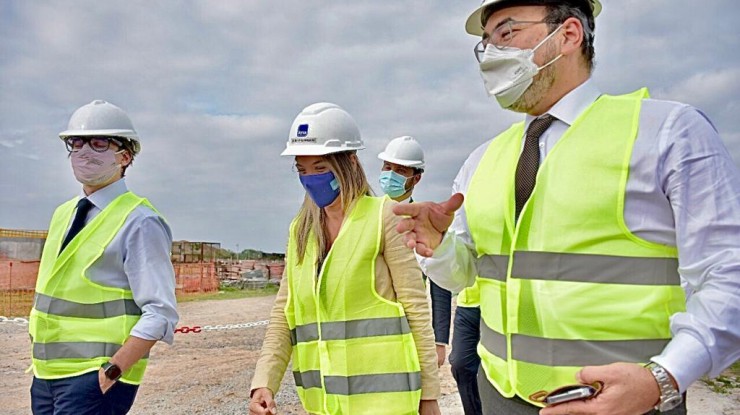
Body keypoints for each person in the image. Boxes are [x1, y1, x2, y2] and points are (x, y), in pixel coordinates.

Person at [393, 1, 740, 414]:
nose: (490, 56)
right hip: (501, 396)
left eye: (506, 33)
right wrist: (440, 247)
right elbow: (464, 275)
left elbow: (728, 274)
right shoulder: (481, 161)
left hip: (625, 403)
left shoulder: (667, 135)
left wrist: (663, 378)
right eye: (485, 44)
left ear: (569, 34)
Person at [249, 103, 441, 415]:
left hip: (387, 403)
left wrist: (429, 396)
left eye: (321, 168)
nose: (311, 179)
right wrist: (264, 382)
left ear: (350, 162)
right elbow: (284, 315)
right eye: (302, 170)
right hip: (324, 404)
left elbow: (417, 310)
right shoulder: (301, 231)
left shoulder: (385, 217)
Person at [29, 100, 179, 414]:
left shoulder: (140, 221)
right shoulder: (63, 214)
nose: (84, 151)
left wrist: (111, 372)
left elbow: (160, 312)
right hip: (45, 376)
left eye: (99, 143)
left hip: (95, 379)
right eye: (76, 142)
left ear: (125, 156)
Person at [378, 137, 483, 415]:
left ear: (416, 178)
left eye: (400, 171)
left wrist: (439, 340)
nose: (390, 175)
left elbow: (439, 284)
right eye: (387, 167)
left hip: (414, 320)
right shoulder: (367, 215)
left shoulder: (426, 220)